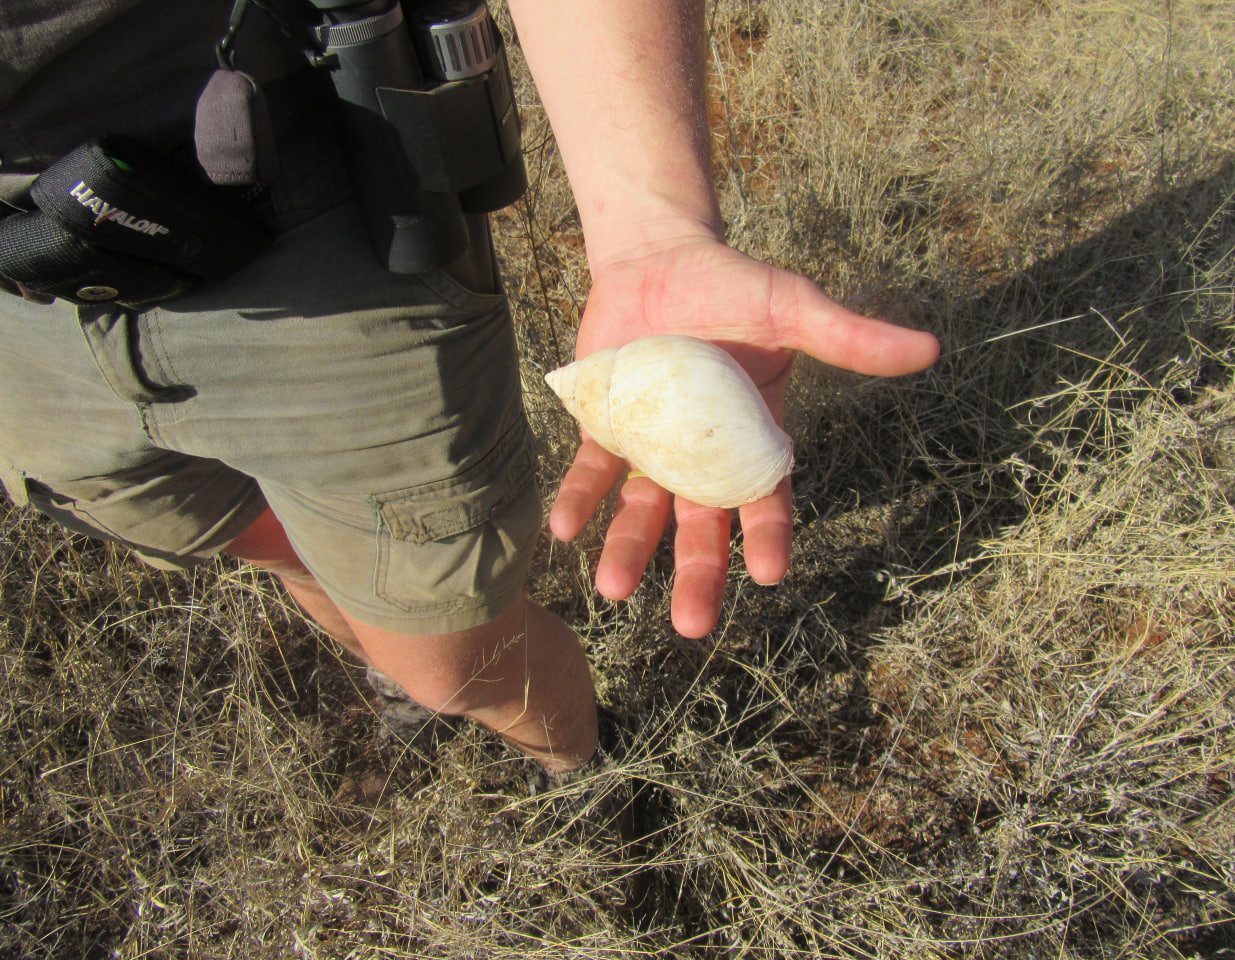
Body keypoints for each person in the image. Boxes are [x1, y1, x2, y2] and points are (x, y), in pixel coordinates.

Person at [0, 0, 939, 783]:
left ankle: (582, 767)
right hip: (20, 319)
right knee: (276, 543)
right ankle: (385, 637)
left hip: (293, 198)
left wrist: (650, 229)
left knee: (457, 665)